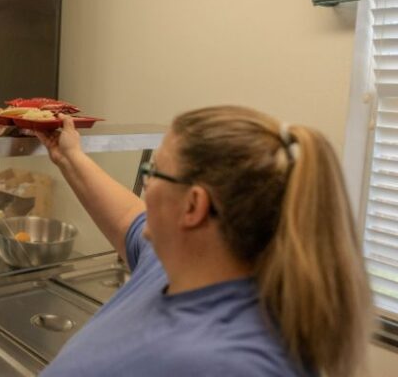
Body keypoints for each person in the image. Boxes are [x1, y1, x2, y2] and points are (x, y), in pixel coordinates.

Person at [35, 106, 372, 377]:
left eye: (153, 173)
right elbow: (127, 218)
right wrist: (69, 156)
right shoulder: (175, 268)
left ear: (194, 206)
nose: (146, 186)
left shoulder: (234, 363)